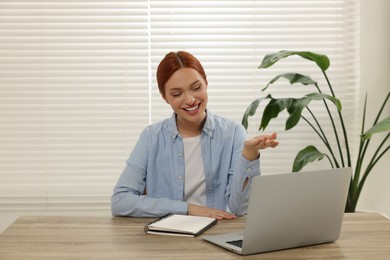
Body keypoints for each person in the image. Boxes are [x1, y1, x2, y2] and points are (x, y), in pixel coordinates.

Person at [111, 51, 279, 219]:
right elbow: (120, 201)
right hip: (166, 237)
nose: (190, 99)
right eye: (177, 94)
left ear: (206, 83)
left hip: (217, 233)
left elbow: (240, 208)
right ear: (165, 97)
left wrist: (249, 156)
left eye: (196, 87)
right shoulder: (151, 137)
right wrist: (188, 208)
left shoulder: (233, 132)